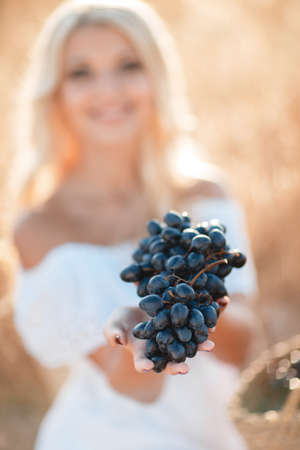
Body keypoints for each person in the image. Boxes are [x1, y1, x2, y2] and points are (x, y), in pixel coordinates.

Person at [12, 1, 258, 449]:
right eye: (81, 72)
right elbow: (136, 388)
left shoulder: (202, 196)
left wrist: (196, 301)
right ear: (56, 92)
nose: (108, 89)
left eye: (128, 65)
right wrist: (137, 337)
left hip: (212, 435)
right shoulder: (40, 227)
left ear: (156, 77)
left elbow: (243, 346)